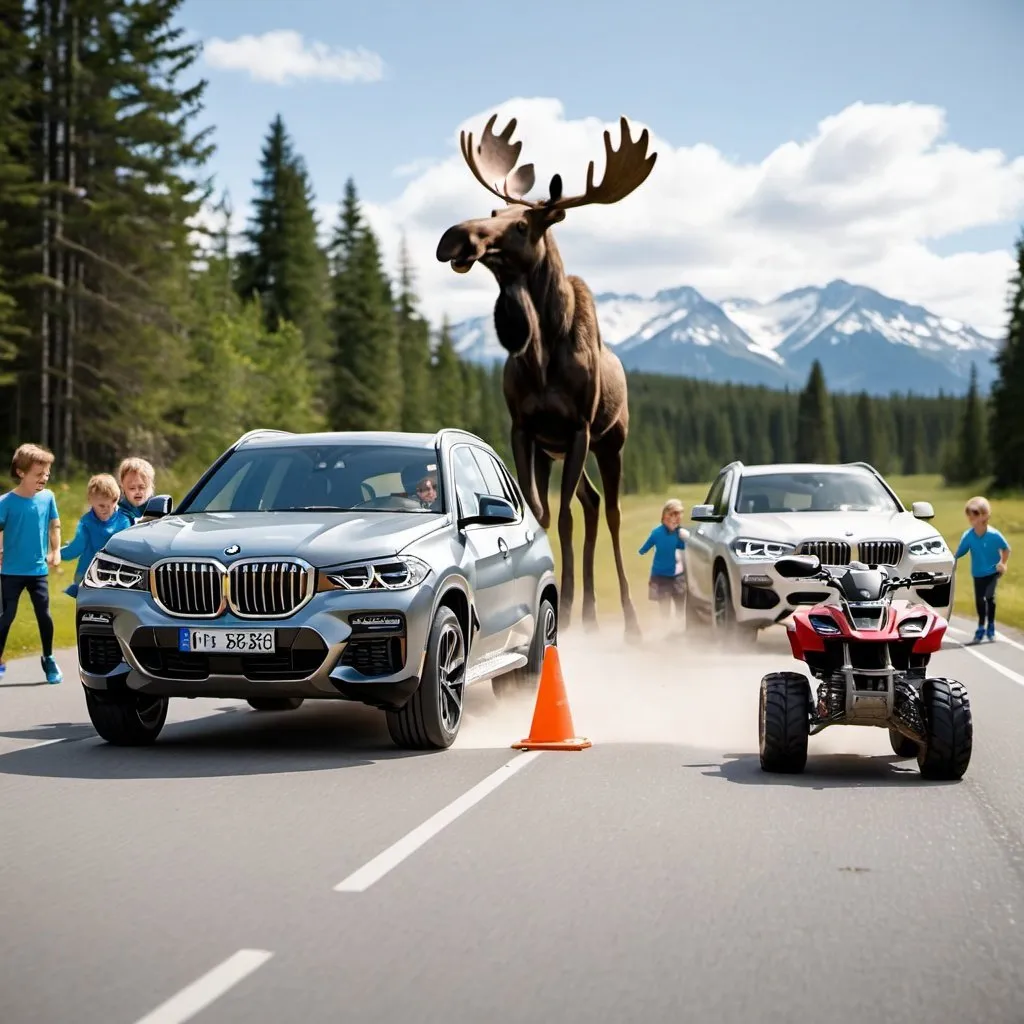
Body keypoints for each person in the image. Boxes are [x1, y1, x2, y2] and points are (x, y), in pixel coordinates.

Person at [0, 443, 63, 683]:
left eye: (47, 473)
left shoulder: (48, 498)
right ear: (21, 472)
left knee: (44, 616)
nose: (44, 478)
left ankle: (48, 658)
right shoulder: (6, 502)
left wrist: (55, 550)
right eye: (39, 474)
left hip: (38, 570)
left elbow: (54, 525)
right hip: (10, 571)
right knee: (6, 616)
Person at [60, 473, 133, 598]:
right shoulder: (86, 522)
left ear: (116, 499)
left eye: (111, 504)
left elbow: (128, 551)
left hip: (114, 577)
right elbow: (77, 547)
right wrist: (57, 554)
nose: (107, 510)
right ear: (90, 500)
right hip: (87, 575)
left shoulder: (124, 521)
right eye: (101, 506)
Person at [954, 495, 1011, 643]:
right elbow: (960, 551)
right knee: (980, 600)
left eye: (973, 516)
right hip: (977, 573)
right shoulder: (968, 536)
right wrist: (951, 560)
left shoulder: (994, 535)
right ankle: (981, 626)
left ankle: (990, 625)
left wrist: (1003, 563)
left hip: (993, 572)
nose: (970, 519)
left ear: (984, 516)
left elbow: (1006, 549)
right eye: (969, 516)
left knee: (989, 597)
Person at [639, 498, 687, 620]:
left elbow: (686, 549)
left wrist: (686, 540)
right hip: (662, 577)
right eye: (673, 514)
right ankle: (665, 630)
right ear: (665, 516)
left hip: (678, 576)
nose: (676, 518)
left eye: (679, 514)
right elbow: (645, 547)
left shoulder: (680, 534)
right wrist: (642, 552)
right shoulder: (657, 533)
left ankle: (680, 629)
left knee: (681, 606)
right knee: (664, 607)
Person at [117, 456, 155, 522]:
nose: (137, 492)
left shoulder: (157, 509)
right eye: (132, 488)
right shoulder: (117, 510)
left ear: (151, 487)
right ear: (123, 488)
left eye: (142, 487)